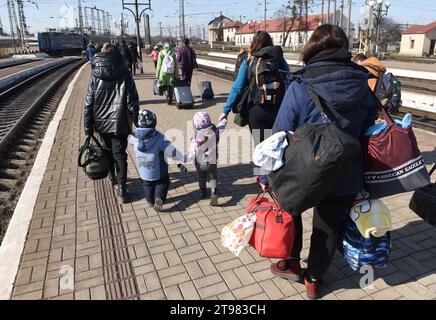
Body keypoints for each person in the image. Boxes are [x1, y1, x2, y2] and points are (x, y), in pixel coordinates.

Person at [269, 24, 378, 300]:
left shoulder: (301, 85)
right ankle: (314, 280)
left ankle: (290, 262)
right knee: (327, 229)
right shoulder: (362, 84)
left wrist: (265, 172)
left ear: (312, 47)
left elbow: (280, 131)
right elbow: (367, 125)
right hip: (346, 170)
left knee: (292, 212)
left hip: (303, 170)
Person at [84, 43, 139, 203]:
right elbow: (132, 101)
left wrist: (87, 126)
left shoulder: (95, 74)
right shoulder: (125, 72)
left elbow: (88, 101)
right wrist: (137, 123)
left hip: (100, 122)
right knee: (120, 154)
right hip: (120, 121)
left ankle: (112, 176)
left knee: (106, 150)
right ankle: (122, 189)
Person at [219, 31, 290, 146]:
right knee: (278, 147)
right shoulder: (280, 61)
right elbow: (288, 83)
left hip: (256, 111)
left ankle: (263, 163)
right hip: (278, 110)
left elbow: (237, 88)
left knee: (262, 148)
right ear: (270, 43)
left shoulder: (249, 62)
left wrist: (225, 111)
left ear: (253, 44)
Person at [130, 110, 187, 212]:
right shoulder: (160, 138)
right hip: (159, 172)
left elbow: (131, 142)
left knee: (147, 185)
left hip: (144, 171)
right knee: (162, 183)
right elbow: (171, 151)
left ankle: (150, 201)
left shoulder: (134, 138)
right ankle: (159, 198)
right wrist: (180, 157)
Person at [184, 112, 227, 207]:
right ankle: (214, 193)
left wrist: (185, 158)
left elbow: (192, 151)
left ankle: (202, 192)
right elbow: (222, 126)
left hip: (199, 162)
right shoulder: (215, 131)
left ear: (196, 124)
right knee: (213, 177)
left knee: (201, 177)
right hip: (211, 160)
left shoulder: (196, 137)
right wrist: (224, 119)